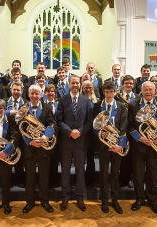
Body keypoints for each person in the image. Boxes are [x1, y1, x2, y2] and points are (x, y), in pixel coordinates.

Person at [128, 81, 157, 214]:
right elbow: (130, 125)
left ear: (154, 91)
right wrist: (139, 137)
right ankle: (139, 199)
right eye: (145, 90)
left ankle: (152, 200)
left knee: (153, 174)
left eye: (150, 90)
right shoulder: (133, 104)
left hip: (155, 145)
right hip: (139, 145)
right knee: (138, 174)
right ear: (141, 91)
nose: (148, 92)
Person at [57, 75, 93, 212]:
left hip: (81, 140)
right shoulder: (62, 100)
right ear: (69, 84)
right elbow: (59, 121)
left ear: (80, 84)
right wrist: (70, 132)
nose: (75, 85)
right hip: (66, 141)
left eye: (77, 83)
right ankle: (65, 196)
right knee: (65, 170)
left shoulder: (86, 101)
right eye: (73, 83)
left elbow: (89, 121)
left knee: (80, 170)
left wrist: (79, 132)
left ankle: (79, 196)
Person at [93, 81, 127, 214]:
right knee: (103, 174)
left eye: (111, 92)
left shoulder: (121, 106)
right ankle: (104, 200)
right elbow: (94, 125)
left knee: (115, 174)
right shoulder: (98, 106)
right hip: (103, 146)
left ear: (114, 92)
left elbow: (124, 126)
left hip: (117, 145)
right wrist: (100, 133)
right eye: (106, 92)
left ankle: (115, 200)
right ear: (103, 92)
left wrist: (120, 145)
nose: (109, 94)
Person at [21, 85, 57, 214]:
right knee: (29, 177)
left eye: (37, 93)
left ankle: (44, 201)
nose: (35, 96)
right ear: (29, 95)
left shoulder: (47, 107)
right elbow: (21, 127)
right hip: (29, 147)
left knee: (44, 177)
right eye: (32, 93)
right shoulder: (23, 108)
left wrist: (44, 137)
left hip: (43, 147)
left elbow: (52, 124)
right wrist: (30, 141)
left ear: (41, 95)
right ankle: (29, 202)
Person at [117, 75, 140, 188]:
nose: (129, 85)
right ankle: (122, 178)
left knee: (133, 156)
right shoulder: (117, 97)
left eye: (131, 83)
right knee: (121, 156)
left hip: (134, 130)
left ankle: (131, 178)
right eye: (126, 83)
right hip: (121, 130)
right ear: (123, 84)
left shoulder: (138, 98)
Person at [81, 80, 99, 187]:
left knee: (91, 157)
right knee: (80, 157)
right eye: (85, 87)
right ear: (82, 89)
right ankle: (80, 179)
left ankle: (90, 179)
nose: (88, 89)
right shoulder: (78, 100)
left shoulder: (96, 102)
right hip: (82, 132)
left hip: (92, 134)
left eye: (90, 87)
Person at [44, 84, 60, 187]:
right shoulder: (42, 104)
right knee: (46, 161)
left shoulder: (59, 104)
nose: (50, 93)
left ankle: (54, 181)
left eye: (52, 91)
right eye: (48, 91)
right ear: (45, 93)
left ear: (55, 93)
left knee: (55, 159)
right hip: (45, 136)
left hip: (57, 137)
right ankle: (46, 181)